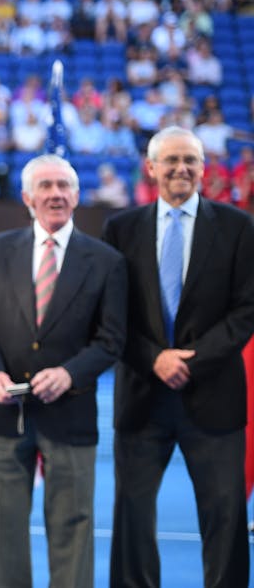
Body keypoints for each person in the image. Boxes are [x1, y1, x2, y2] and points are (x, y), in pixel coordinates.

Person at [0, 154, 127, 588]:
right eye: (46, 186)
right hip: (3, 412)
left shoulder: (106, 261)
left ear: (76, 195)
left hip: (71, 412)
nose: (55, 194)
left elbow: (111, 340)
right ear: (27, 197)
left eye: (64, 186)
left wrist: (71, 374)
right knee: (4, 529)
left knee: (74, 525)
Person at [102, 126, 254, 588]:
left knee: (225, 518)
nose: (181, 168)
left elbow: (246, 309)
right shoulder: (120, 229)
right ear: (151, 168)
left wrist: (189, 359)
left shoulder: (238, 227)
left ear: (204, 169)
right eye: (171, 160)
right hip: (142, 397)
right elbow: (112, 315)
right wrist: (155, 359)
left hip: (214, 397)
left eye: (191, 159)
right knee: (132, 519)